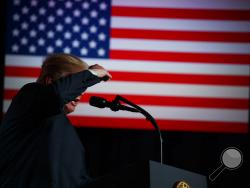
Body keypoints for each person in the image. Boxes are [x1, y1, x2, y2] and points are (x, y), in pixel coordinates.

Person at [0, 53, 112, 188]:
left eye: (83, 88)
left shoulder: (64, 131)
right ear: (49, 81)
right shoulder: (30, 94)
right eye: (73, 81)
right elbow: (57, 94)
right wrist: (92, 74)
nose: (82, 92)